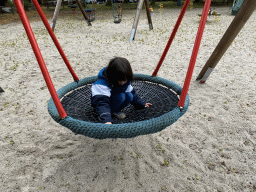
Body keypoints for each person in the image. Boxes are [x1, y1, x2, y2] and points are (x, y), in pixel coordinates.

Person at [91, 57, 152, 124]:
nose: (123, 82)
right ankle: (103, 116)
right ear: (113, 77)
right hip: (101, 107)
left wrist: (141, 103)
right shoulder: (101, 84)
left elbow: (132, 92)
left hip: (113, 101)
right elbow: (101, 102)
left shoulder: (125, 79)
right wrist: (107, 120)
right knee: (121, 96)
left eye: (125, 80)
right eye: (121, 80)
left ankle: (114, 112)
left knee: (129, 95)